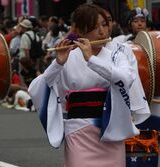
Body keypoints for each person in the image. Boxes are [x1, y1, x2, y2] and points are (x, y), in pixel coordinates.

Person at [28, 4, 150, 167]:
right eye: (94, 27)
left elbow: (125, 78)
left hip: (111, 129)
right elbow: (39, 87)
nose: (102, 31)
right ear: (80, 31)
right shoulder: (69, 56)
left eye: (104, 25)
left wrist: (91, 60)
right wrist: (57, 63)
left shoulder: (118, 54)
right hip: (79, 132)